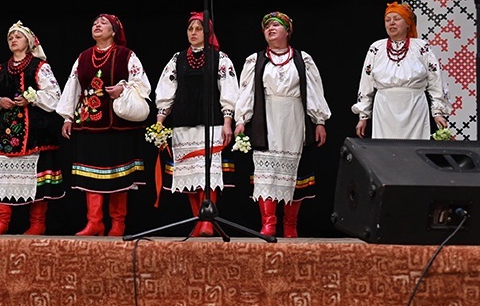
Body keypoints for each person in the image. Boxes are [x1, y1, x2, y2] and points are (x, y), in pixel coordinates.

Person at [234, 12, 330, 238]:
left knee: (296, 169)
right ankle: (269, 223)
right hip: (266, 118)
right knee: (267, 170)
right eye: (267, 26)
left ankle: (290, 225)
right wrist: (241, 120)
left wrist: (319, 121)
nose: (270, 29)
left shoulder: (302, 59)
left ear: (288, 31)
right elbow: (246, 92)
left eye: (276, 25)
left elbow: (315, 92)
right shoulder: (254, 60)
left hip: (294, 118)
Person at [56, 14, 152, 236]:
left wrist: (123, 88)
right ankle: (95, 222)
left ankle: (118, 224)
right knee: (90, 175)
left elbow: (142, 85)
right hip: (89, 124)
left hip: (118, 125)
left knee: (120, 176)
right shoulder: (83, 56)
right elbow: (73, 87)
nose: (97, 26)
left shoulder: (127, 55)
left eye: (103, 23)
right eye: (94, 23)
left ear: (115, 31)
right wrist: (68, 117)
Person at [155, 13, 239, 237]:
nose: (193, 33)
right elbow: (166, 90)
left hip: (210, 122)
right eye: (190, 29)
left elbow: (229, 90)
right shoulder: (178, 58)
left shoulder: (220, 58)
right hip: (183, 124)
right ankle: (198, 220)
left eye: (198, 29)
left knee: (208, 174)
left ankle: (208, 221)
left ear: (207, 33)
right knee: (189, 175)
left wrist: (228, 120)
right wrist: (159, 123)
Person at [0, 21, 64, 235]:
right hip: (6, 133)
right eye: (10, 37)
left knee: (37, 179)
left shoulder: (40, 66)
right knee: (0, 175)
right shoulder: (1, 69)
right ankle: (1, 222)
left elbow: (54, 96)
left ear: (28, 41)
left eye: (18, 36)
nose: (13, 40)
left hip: (36, 133)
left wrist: (32, 98)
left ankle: (37, 224)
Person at [353, 2, 452, 140]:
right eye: (388, 20)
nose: (391, 23)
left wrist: (438, 112)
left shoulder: (421, 47)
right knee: (386, 153)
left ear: (408, 23)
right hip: (385, 109)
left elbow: (436, 80)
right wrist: (363, 116)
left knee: (414, 151)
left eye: (397, 19)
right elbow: (366, 83)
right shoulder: (376, 48)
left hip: (415, 107)